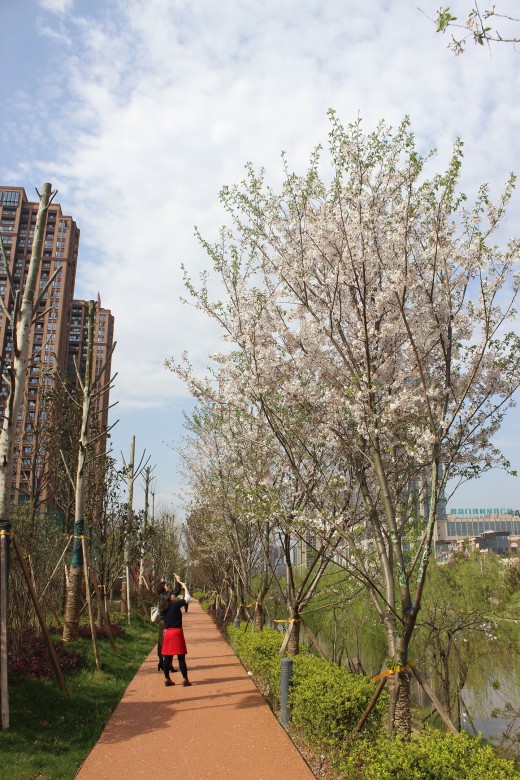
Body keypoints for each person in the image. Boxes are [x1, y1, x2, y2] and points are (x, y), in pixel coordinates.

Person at [160, 573, 192, 688]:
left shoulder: (164, 608)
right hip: (177, 633)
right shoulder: (175, 605)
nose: (174, 595)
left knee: (167, 657)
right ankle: (185, 679)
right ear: (169, 598)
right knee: (181, 657)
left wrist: (177, 581)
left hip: (168, 633)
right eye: (171, 595)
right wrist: (184, 586)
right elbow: (187, 598)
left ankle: (167, 679)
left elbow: (175, 593)